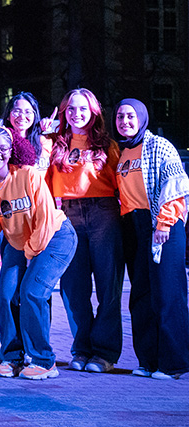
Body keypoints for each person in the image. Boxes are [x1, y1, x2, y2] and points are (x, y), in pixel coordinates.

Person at [0, 126, 78, 380]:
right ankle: (11, 357)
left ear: (12, 150)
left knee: (31, 292)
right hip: (19, 242)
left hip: (54, 238)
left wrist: (30, 254)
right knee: (5, 295)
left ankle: (43, 360)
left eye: (3, 148)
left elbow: (45, 219)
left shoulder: (28, 175)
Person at [47, 88, 122, 373]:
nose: (76, 114)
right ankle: (81, 349)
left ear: (94, 112)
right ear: (64, 113)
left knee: (108, 286)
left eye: (82, 109)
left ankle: (104, 353)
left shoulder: (108, 146)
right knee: (73, 288)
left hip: (104, 213)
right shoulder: (55, 145)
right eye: (71, 110)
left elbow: (122, 186)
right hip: (68, 214)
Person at [113, 99, 189, 379]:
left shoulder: (159, 146)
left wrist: (165, 222)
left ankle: (174, 364)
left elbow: (175, 185)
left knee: (168, 294)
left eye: (131, 116)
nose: (125, 121)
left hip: (162, 224)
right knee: (141, 294)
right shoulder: (123, 153)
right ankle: (148, 360)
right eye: (120, 116)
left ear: (142, 117)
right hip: (134, 226)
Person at [3, 91, 51, 172]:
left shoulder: (44, 141)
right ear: (8, 115)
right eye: (17, 111)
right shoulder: (2, 143)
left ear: (35, 116)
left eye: (28, 112)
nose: (22, 116)